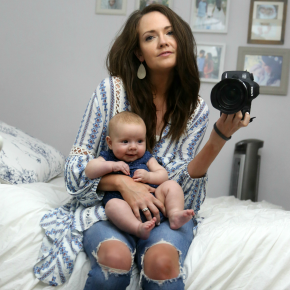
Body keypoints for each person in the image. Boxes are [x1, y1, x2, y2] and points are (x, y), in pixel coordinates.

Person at [34, 4, 251, 289]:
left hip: (162, 211)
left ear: (179, 40)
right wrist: (123, 185)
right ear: (139, 53)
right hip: (109, 208)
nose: (162, 41)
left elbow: (185, 193)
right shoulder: (111, 91)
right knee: (114, 257)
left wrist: (218, 138)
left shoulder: (195, 108)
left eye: (169, 32)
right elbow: (75, 171)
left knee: (161, 263)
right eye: (150, 37)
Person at [85, 111, 195, 240]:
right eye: (125, 141)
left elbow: (163, 175)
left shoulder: (146, 157)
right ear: (110, 143)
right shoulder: (107, 157)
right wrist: (111, 166)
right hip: (125, 208)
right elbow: (89, 171)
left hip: (155, 201)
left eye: (139, 141)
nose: (133, 147)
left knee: (172, 185)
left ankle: (174, 215)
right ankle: (137, 228)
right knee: (112, 206)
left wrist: (149, 177)